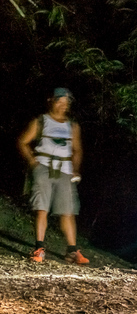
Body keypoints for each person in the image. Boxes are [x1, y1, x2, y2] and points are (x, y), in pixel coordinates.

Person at [17, 87, 89, 265]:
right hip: (43, 167)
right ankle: (39, 248)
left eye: (67, 103)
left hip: (64, 169)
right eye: (60, 101)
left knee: (68, 211)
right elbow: (23, 142)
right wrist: (33, 162)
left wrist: (76, 168)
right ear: (51, 101)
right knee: (42, 208)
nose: (64, 105)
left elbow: (77, 149)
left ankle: (72, 250)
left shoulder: (72, 125)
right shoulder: (41, 121)